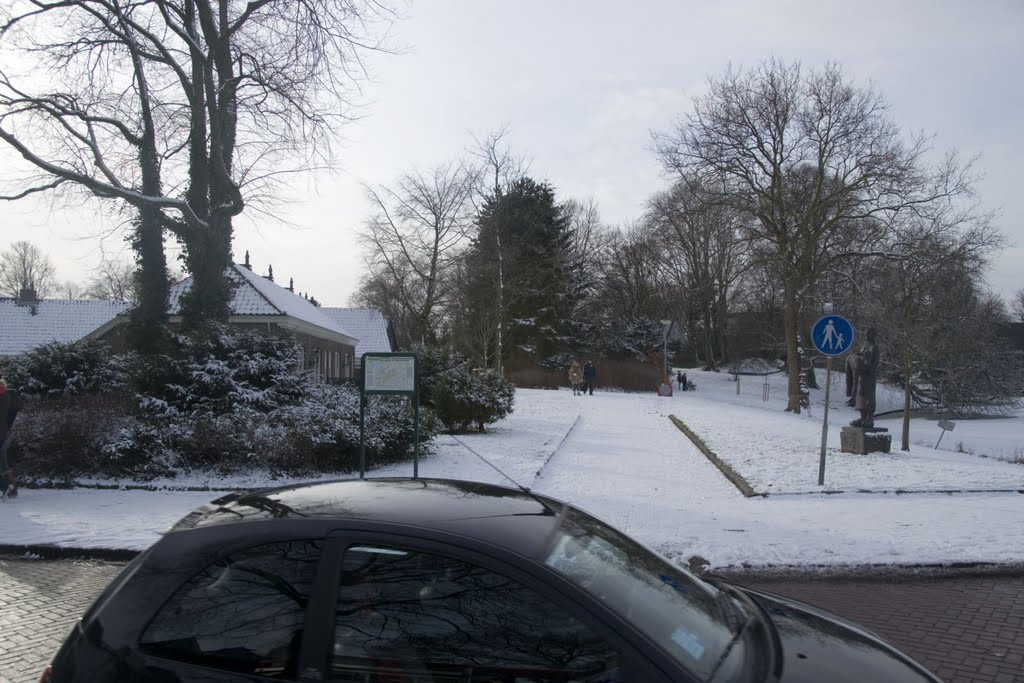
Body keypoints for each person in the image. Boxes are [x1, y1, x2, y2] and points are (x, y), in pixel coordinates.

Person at [850, 328, 880, 428]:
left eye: (868, 334)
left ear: (873, 335)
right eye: (865, 333)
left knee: (869, 396)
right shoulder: (865, 345)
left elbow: (875, 364)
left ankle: (870, 418)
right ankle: (862, 417)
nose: (866, 335)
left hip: (869, 376)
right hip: (861, 375)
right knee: (860, 395)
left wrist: (867, 364)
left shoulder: (875, 347)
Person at [0, 379, 22, 499]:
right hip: (6, 433)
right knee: (4, 462)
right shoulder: (8, 396)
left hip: (3, 433)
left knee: (3, 462)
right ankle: (11, 488)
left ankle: (6, 488)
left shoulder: (3, 398)